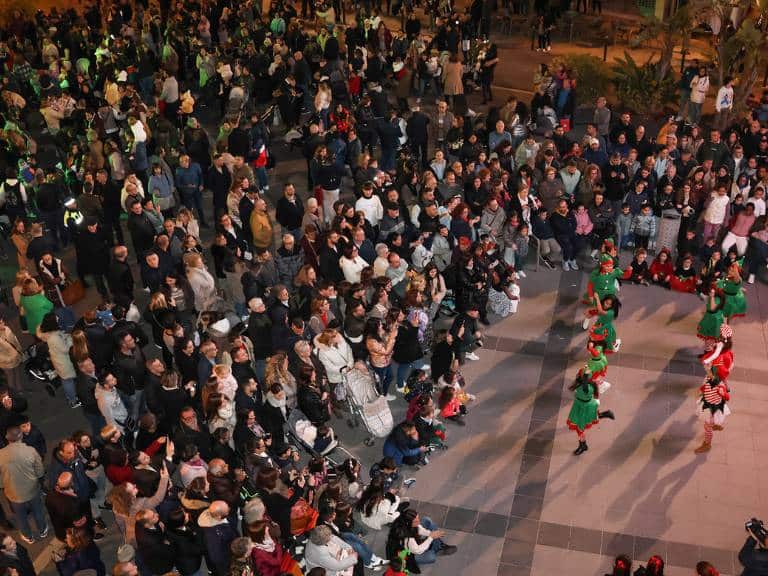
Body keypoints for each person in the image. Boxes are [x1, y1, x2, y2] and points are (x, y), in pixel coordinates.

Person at [0, 427, 48, 544]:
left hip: (13, 493)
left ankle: (28, 536)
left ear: (7, 438)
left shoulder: (1, 454)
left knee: (21, 517)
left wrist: (4, 485)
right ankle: (42, 530)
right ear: (21, 436)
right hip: (32, 490)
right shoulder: (30, 451)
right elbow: (40, 471)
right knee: (38, 511)